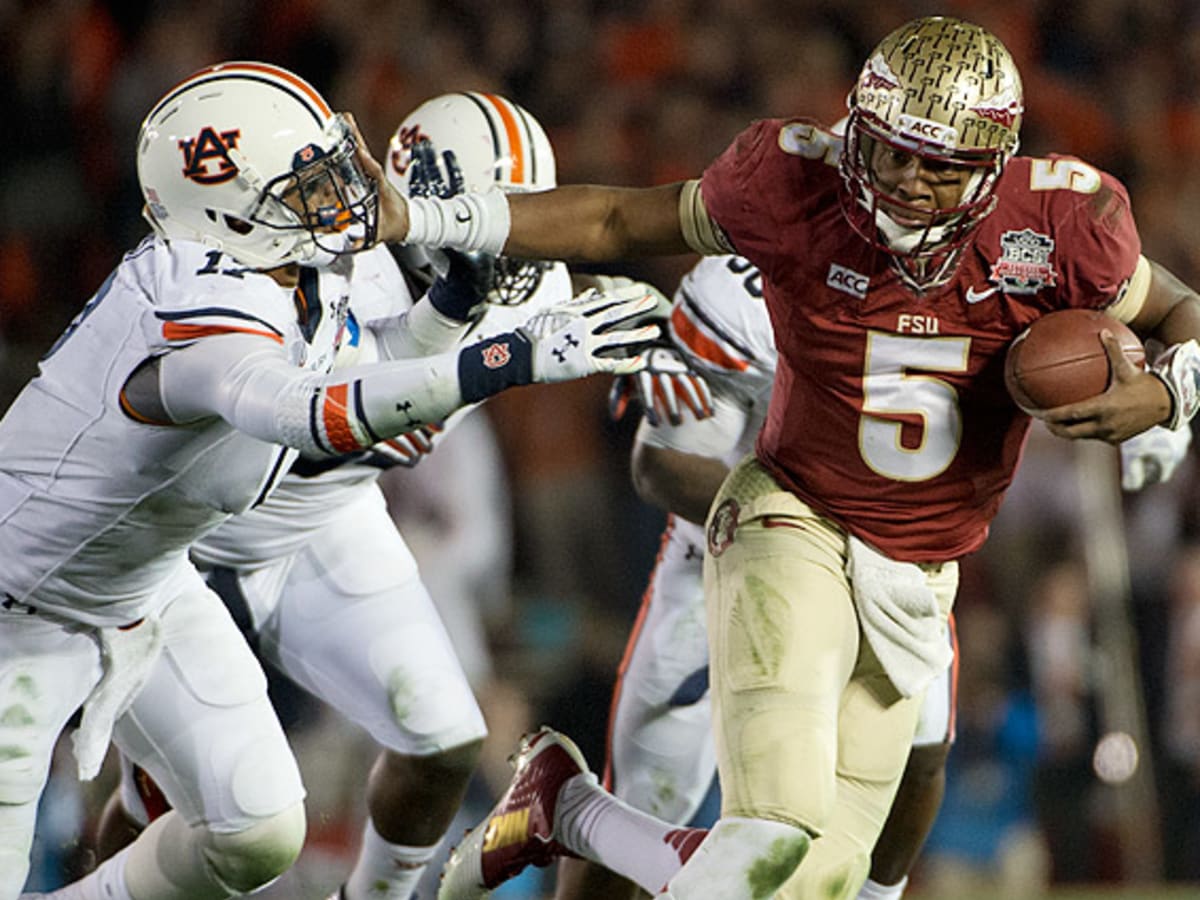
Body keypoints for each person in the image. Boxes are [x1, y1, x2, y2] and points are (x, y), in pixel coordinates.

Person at [371, 15, 1200, 899]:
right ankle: (580, 817)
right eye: (891, 155)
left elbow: (1179, 309)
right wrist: (426, 216)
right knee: (762, 837)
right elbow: (619, 219)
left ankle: (564, 805)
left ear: (994, 165)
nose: (912, 185)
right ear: (858, 133)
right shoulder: (783, 194)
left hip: (915, 572)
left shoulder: (1063, 224)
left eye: (941, 166)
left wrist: (1169, 396)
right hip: (784, 520)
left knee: (826, 878)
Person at [0, 63, 659, 900]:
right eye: (305, 187)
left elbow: (372, 365)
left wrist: (460, 309)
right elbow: (314, 416)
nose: (344, 200)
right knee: (149, 807)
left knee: (261, 829)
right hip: (34, 601)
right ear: (230, 211)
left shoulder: (297, 264)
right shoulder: (199, 300)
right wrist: (504, 356)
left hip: (159, 581)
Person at [556, 253, 959, 900]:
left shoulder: (954, 268)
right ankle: (571, 811)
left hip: (881, 557)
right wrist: (815, 526)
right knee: (651, 797)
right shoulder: (744, 285)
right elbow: (661, 465)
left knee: (921, 750)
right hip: (721, 555)